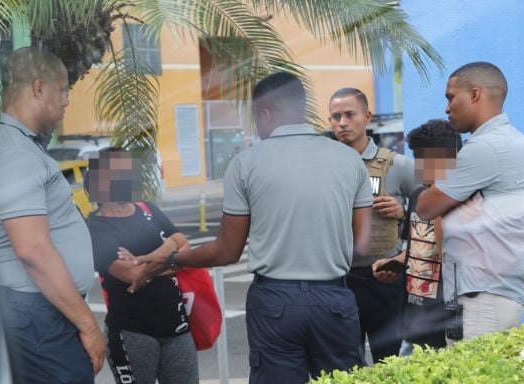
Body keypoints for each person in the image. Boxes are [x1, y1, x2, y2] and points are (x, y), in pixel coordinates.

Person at [122, 72, 373, 383]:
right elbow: (363, 245)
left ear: (265, 113)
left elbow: (227, 251)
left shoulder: (246, 163)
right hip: (334, 298)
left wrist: (171, 259)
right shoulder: (350, 160)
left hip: (275, 302)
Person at [0, 47, 106, 383]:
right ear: (39, 88)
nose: (68, 99)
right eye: (64, 89)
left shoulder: (0, 140)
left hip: (28, 310)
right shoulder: (13, 152)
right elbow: (33, 250)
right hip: (39, 316)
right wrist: (88, 325)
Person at [416, 62, 524, 343]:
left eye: (450, 97)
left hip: (482, 299)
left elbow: (425, 207)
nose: (446, 108)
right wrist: (455, 202)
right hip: (486, 294)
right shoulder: (510, 139)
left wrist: (444, 199)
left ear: (474, 94)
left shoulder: (484, 148)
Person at [85, 148, 198, 384]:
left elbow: (184, 248)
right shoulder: (96, 227)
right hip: (132, 333)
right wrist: (169, 251)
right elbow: (133, 276)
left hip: (177, 328)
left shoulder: (148, 209)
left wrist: (142, 259)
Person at [328, 87, 416, 362]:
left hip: (384, 278)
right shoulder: (323, 168)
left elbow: (431, 215)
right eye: (335, 116)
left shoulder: (398, 165)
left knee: (388, 361)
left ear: (367, 116)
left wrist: (402, 211)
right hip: (337, 280)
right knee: (343, 364)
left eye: (349, 114)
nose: (342, 122)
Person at [372, 119, 463, 354]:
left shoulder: (464, 202)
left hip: (447, 323)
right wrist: (395, 264)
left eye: (427, 161)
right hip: (413, 322)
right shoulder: (417, 195)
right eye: (418, 158)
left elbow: (451, 255)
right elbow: (415, 248)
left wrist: (443, 203)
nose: (420, 168)